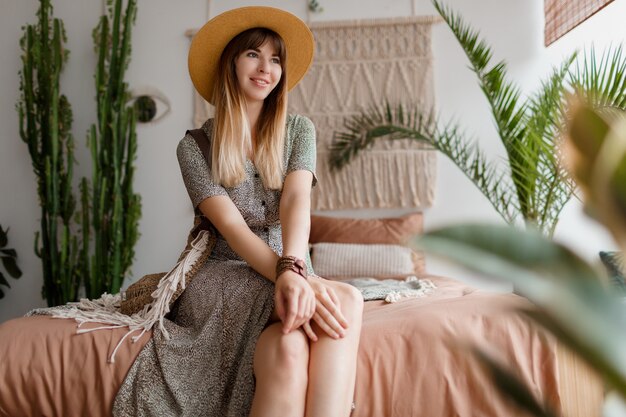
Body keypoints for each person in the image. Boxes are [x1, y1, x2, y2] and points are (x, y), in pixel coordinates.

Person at [113, 6, 364, 417]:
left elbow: (297, 201)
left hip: (290, 261)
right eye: (253, 54)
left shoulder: (299, 130)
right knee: (345, 298)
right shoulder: (194, 147)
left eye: (276, 58)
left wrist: (295, 269)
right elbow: (231, 227)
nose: (266, 67)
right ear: (229, 62)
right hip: (223, 272)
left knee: (289, 345)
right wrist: (290, 275)